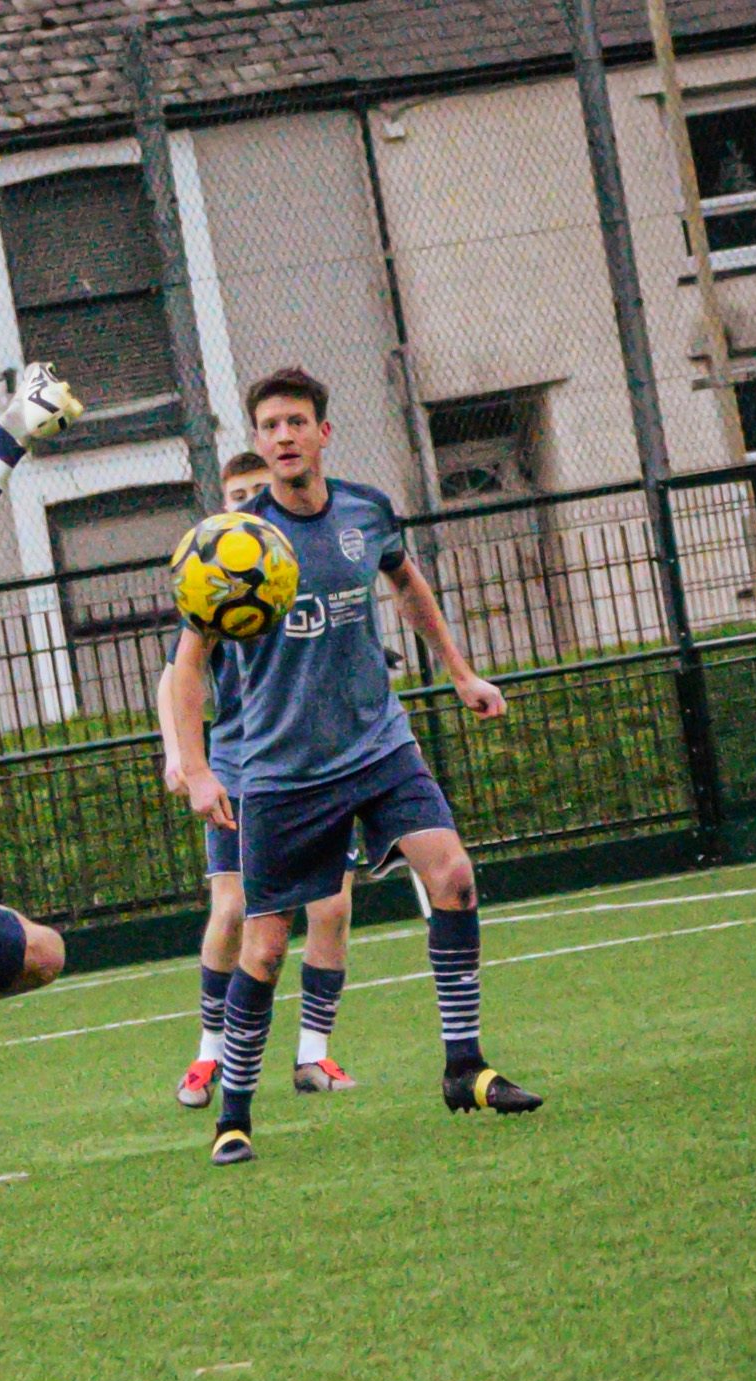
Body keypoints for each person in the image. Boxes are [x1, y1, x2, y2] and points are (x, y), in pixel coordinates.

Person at [191, 366, 541, 1169]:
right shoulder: (234, 544)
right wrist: (195, 764)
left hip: (380, 746)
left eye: (295, 422)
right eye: (268, 425)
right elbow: (186, 662)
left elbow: (406, 580)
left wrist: (460, 672)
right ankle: (234, 1116)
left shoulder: (365, 510)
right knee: (266, 947)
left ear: (322, 433)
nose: (282, 436)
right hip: (281, 772)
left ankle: (464, 1066)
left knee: (452, 875)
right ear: (256, 441)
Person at [158, 451, 358, 1114]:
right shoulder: (216, 577)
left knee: (330, 907)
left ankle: (312, 1053)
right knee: (234, 912)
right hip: (243, 764)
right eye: (237, 495)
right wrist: (184, 757)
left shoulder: (300, 565)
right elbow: (176, 676)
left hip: (315, 761)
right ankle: (208, 1053)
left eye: (257, 492)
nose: (250, 506)